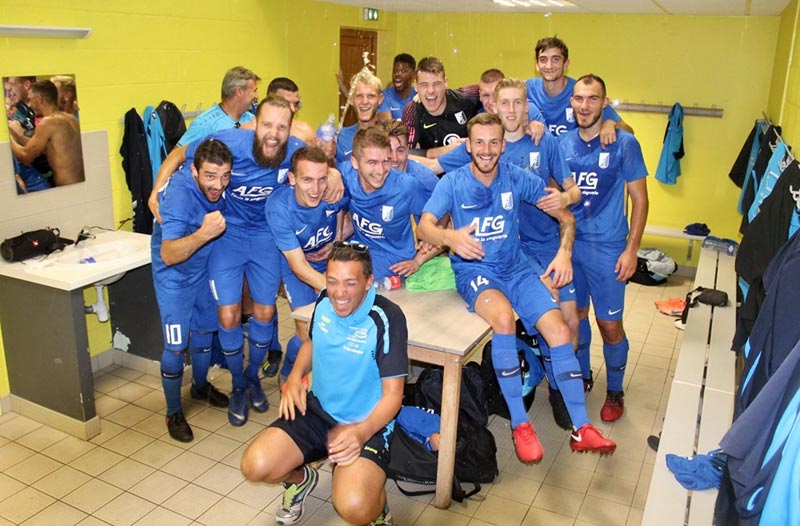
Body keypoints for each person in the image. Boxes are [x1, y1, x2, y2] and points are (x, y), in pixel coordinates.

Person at [417, 112, 616, 462]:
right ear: (468, 146)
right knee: (504, 320)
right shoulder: (453, 182)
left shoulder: (517, 178)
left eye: (494, 142)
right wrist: (450, 238)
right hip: (476, 272)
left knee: (559, 331)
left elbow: (566, 216)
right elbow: (425, 226)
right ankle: (521, 425)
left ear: (503, 146)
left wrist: (564, 252)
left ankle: (582, 427)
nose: (486, 149)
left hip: (516, 267)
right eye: (479, 142)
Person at [151, 96, 342, 427]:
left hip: (265, 237)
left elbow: (318, 167)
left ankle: (252, 376)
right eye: (267, 125)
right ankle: (238, 385)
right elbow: (180, 153)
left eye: (281, 127)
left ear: (290, 128)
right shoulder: (230, 143)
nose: (273, 134)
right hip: (227, 235)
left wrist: (334, 172)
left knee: (265, 312)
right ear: (255, 124)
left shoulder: (294, 150)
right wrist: (156, 189)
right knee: (227, 315)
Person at [240, 241, 407, 526]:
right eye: (332, 282)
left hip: (365, 423)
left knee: (354, 507)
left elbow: (394, 395)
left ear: (368, 282)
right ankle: (300, 480)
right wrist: (295, 377)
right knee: (255, 465)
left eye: (350, 283)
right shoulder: (324, 302)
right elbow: (312, 343)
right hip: (318, 411)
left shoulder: (387, 317)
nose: (339, 293)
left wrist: (361, 431)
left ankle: (378, 508)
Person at [559, 74, 649, 421]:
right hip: (571, 246)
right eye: (579, 98)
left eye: (592, 98)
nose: (584, 106)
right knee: (576, 316)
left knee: (609, 325)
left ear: (604, 103)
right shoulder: (562, 144)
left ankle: (615, 390)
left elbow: (640, 200)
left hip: (608, 248)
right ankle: (583, 375)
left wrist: (632, 249)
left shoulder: (624, 143)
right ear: (572, 102)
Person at [151, 138, 233, 442]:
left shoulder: (219, 173)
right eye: (210, 176)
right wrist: (203, 233)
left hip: (203, 267)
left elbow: (180, 150)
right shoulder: (179, 196)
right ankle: (173, 412)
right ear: (194, 171)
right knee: (175, 346)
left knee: (203, 330)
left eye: (225, 176)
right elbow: (169, 254)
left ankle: (199, 386)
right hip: (175, 276)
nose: (218, 185)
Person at [265, 146, 349, 381]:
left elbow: (349, 214)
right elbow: (298, 265)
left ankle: (319, 376)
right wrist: (335, 290)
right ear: (292, 179)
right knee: (307, 332)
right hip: (297, 266)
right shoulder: (279, 206)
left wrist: (338, 239)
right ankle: (289, 370)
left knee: (333, 324)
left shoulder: (334, 191)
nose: (316, 189)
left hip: (329, 260)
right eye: (307, 180)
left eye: (322, 179)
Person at [344, 127, 438, 281]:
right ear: (355, 162)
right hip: (359, 248)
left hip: (393, 257)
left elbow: (444, 217)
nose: (380, 170)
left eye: (386, 161)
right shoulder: (345, 176)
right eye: (372, 162)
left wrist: (418, 260)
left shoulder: (406, 186)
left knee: (344, 277)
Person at [526, 36, 632, 143]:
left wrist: (611, 124)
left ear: (566, 64)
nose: (549, 66)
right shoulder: (527, 90)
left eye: (556, 59)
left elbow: (629, 131)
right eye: (543, 60)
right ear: (537, 65)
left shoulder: (581, 92)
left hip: (573, 153)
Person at [8, 80, 85, 187]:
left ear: (39, 98)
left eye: (30, 99)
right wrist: (15, 133)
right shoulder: (70, 118)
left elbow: (26, 157)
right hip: (80, 183)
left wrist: (8, 137)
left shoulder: (48, 123)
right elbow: (42, 147)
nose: (29, 105)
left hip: (67, 188)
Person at [401, 56, 480, 158]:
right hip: (433, 168)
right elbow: (404, 153)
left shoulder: (466, 97)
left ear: (445, 83)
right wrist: (446, 151)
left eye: (437, 84)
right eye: (424, 85)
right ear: (416, 86)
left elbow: (491, 86)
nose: (431, 91)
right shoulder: (412, 110)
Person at [177, 66, 260, 147]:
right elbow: (176, 153)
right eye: (254, 91)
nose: (257, 96)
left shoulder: (252, 120)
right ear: (239, 92)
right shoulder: (205, 124)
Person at [377, 119, 439, 197]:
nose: (394, 159)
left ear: (407, 150)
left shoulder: (425, 182)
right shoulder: (370, 178)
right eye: (389, 151)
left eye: (400, 150)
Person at [335, 71, 383, 167]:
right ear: (351, 99)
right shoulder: (340, 137)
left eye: (371, 96)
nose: (364, 101)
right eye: (359, 96)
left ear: (380, 99)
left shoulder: (389, 135)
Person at [267, 77, 316, 143]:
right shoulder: (255, 130)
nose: (293, 109)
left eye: (296, 104)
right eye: (286, 103)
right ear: (269, 102)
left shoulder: (305, 131)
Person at [377, 53, 416, 121]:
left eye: (403, 71)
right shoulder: (384, 96)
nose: (397, 74)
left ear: (413, 74)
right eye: (395, 71)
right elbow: (387, 125)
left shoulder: (418, 96)